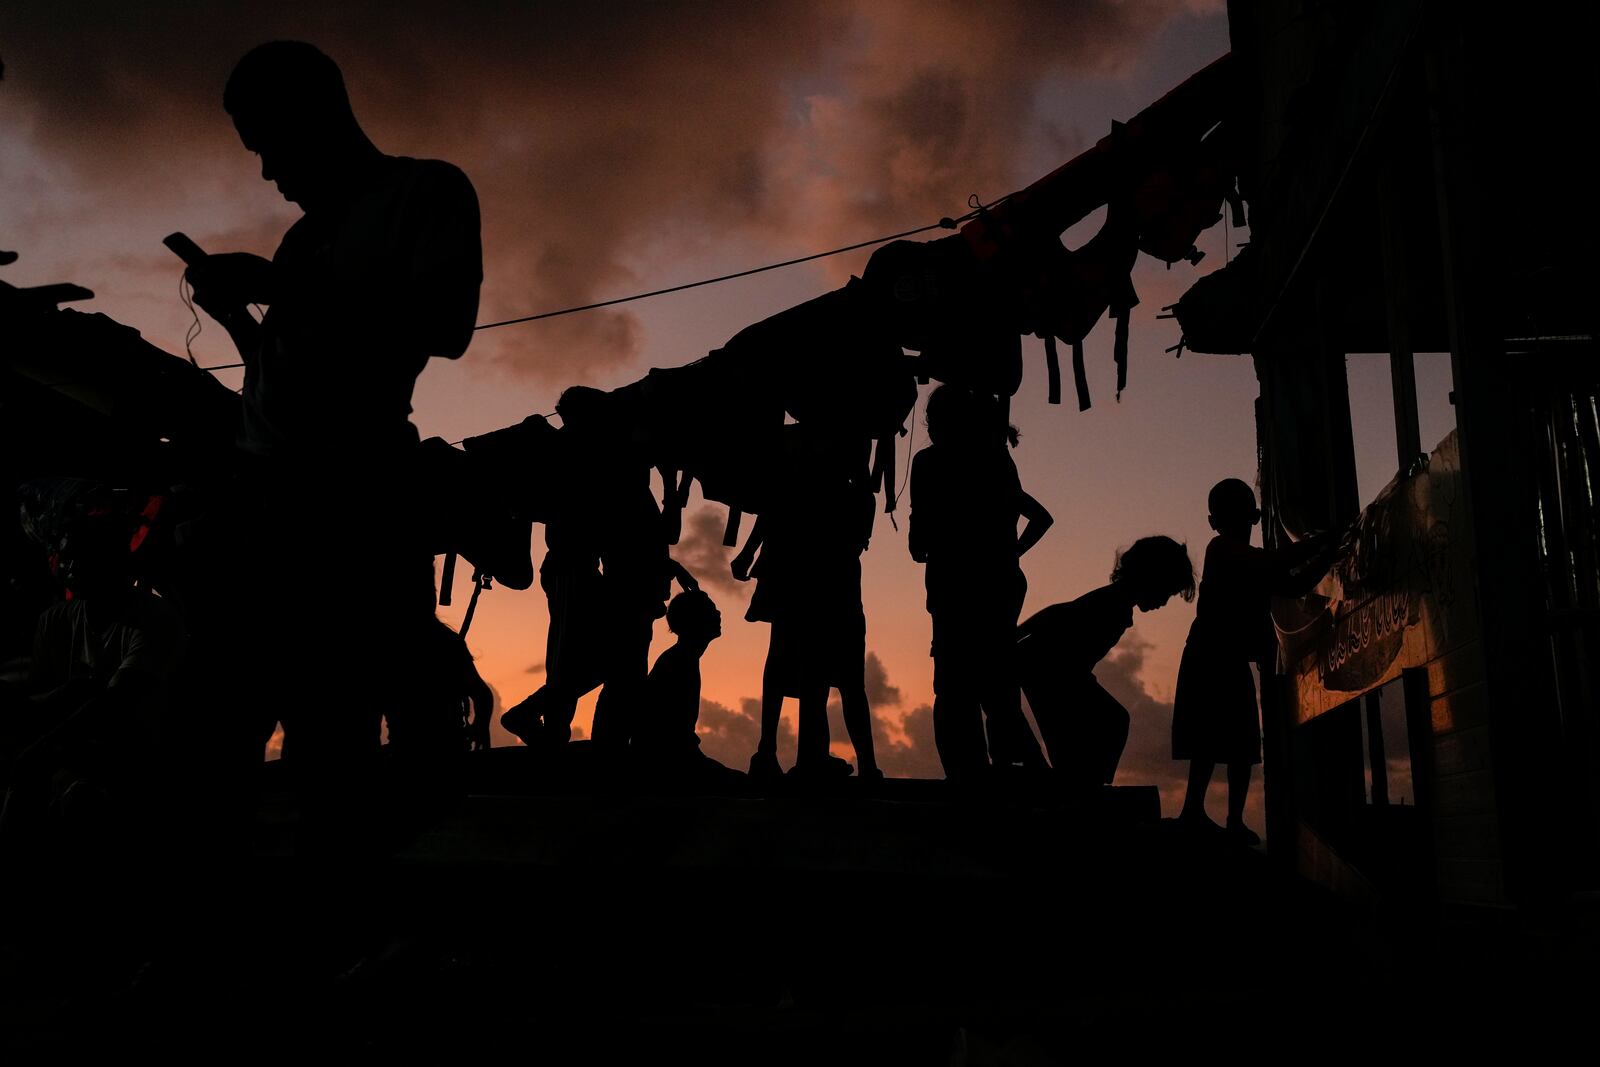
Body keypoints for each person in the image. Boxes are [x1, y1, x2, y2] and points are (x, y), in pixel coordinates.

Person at [182, 41, 482, 851]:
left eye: (269, 145)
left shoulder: (427, 191)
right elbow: (289, 375)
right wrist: (241, 319)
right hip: (261, 508)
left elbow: (444, 322)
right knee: (225, 729)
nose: (268, 171)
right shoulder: (302, 241)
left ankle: (348, 926)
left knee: (333, 730)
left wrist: (278, 289)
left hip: (354, 507)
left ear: (315, 118)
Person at [1173, 479, 1342, 844]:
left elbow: (1295, 584)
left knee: (1240, 743)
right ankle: (1194, 812)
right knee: (1210, 741)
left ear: (1211, 519)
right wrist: (1323, 543)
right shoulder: (1223, 550)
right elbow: (1283, 566)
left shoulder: (1252, 560)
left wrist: (1326, 554)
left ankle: (1229, 819)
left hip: (1227, 659)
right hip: (1209, 657)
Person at [908, 385, 1052, 779]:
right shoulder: (996, 463)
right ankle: (1015, 770)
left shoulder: (929, 464)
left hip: (955, 588)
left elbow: (917, 544)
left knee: (956, 688)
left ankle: (970, 772)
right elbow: (1041, 518)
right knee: (997, 685)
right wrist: (1011, 552)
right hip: (998, 585)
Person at [734, 427, 880, 781]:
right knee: (819, 672)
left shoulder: (835, 487)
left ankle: (804, 755)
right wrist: (749, 551)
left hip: (811, 581)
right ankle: (801, 755)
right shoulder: (839, 486)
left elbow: (774, 509)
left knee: (811, 670)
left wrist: (750, 551)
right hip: (813, 583)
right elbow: (774, 508)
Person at [1015, 536, 1195, 788]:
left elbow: (1060, 612)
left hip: (1057, 671)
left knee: (1105, 724)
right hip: (1047, 669)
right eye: (1166, 592)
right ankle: (1085, 789)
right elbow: (1058, 614)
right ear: (1151, 579)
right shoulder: (1113, 603)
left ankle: (1081, 786)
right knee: (1110, 722)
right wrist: (1016, 635)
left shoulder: (1117, 603)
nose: (1164, 602)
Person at [631, 589, 743, 789]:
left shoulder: (681, 658)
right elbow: (674, 737)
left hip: (669, 761)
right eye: (710, 610)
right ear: (693, 622)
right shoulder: (679, 662)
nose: (718, 613)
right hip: (666, 766)